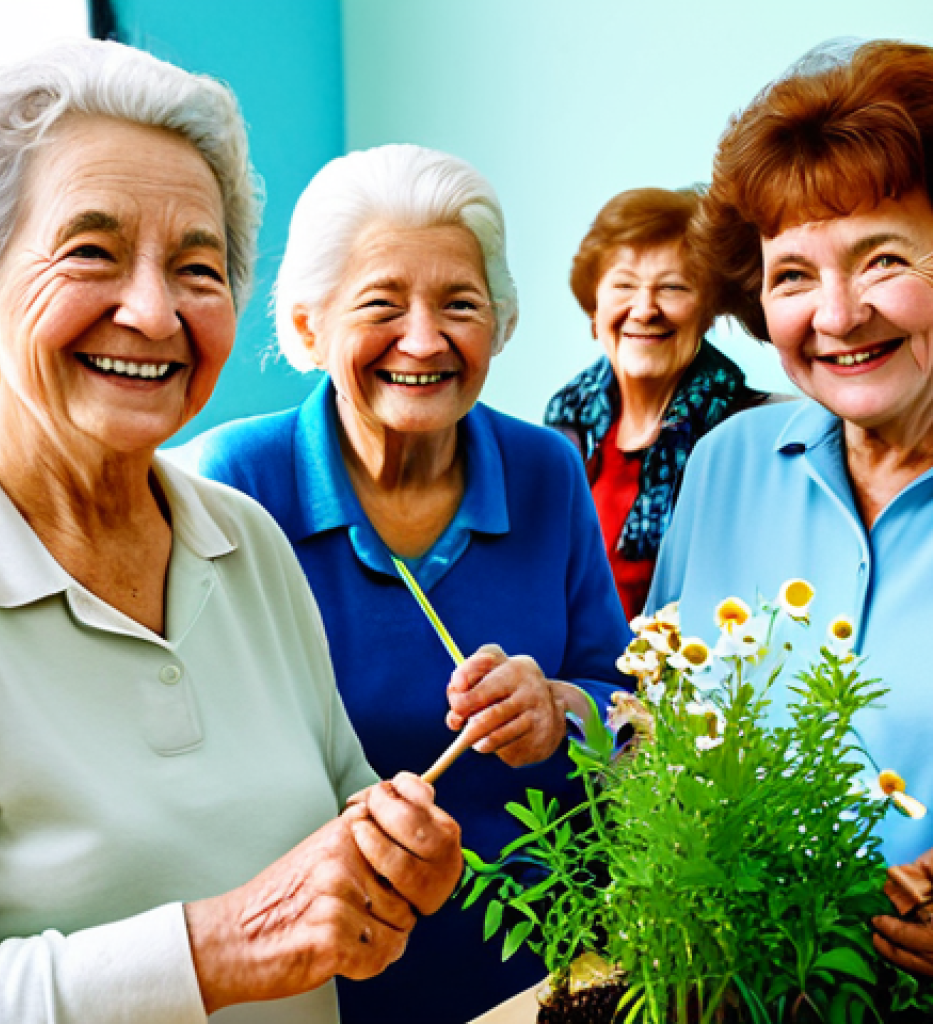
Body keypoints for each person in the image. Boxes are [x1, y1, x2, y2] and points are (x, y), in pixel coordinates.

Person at [0, 40, 462, 1024]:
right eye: (93, 251)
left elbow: (342, 799)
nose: (154, 311)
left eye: (197, 266)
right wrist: (226, 946)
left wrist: (390, 857)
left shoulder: (243, 537)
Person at [198, 143, 632, 1022]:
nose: (425, 340)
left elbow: (622, 704)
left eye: (460, 305)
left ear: (501, 325)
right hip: (320, 986)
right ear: (308, 324)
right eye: (382, 306)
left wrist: (560, 711)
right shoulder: (235, 481)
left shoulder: (546, 468)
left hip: (542, 978)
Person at [644, 39, 933, 979]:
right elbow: (658, 716)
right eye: (794, 275)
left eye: (882, 259)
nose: (839, 315)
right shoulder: (726, 465)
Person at [544, 187, 766, 620]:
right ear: (594, 306)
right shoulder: (564, 427)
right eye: (624, 285)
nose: (644, 309)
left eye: (673, 287)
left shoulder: (750, 432)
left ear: (709, 310)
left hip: (693, 682)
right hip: (573, 679)